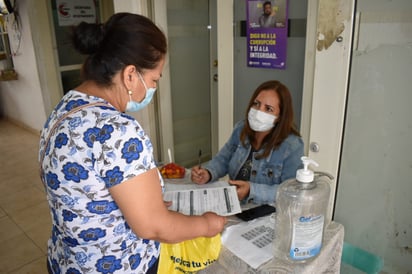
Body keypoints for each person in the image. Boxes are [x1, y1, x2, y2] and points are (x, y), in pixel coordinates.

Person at [39, 13, 226, 274]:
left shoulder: (66, 107)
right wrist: (207, 224)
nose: (153, 89)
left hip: (65, 260)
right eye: (154, 80)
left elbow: (88, 194)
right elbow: (153, 227)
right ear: (130, 75)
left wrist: (145, 203)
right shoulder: (117, 130)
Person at [191, 80, 304, 205]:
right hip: (234, 205)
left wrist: (252, 190)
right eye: (256, 104)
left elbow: (292, 191)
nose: (259, 112)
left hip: (266, 213)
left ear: (280, 117)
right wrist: (208, 173)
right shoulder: (241, 128)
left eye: (268, 109)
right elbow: (223, 159)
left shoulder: (292, 146)